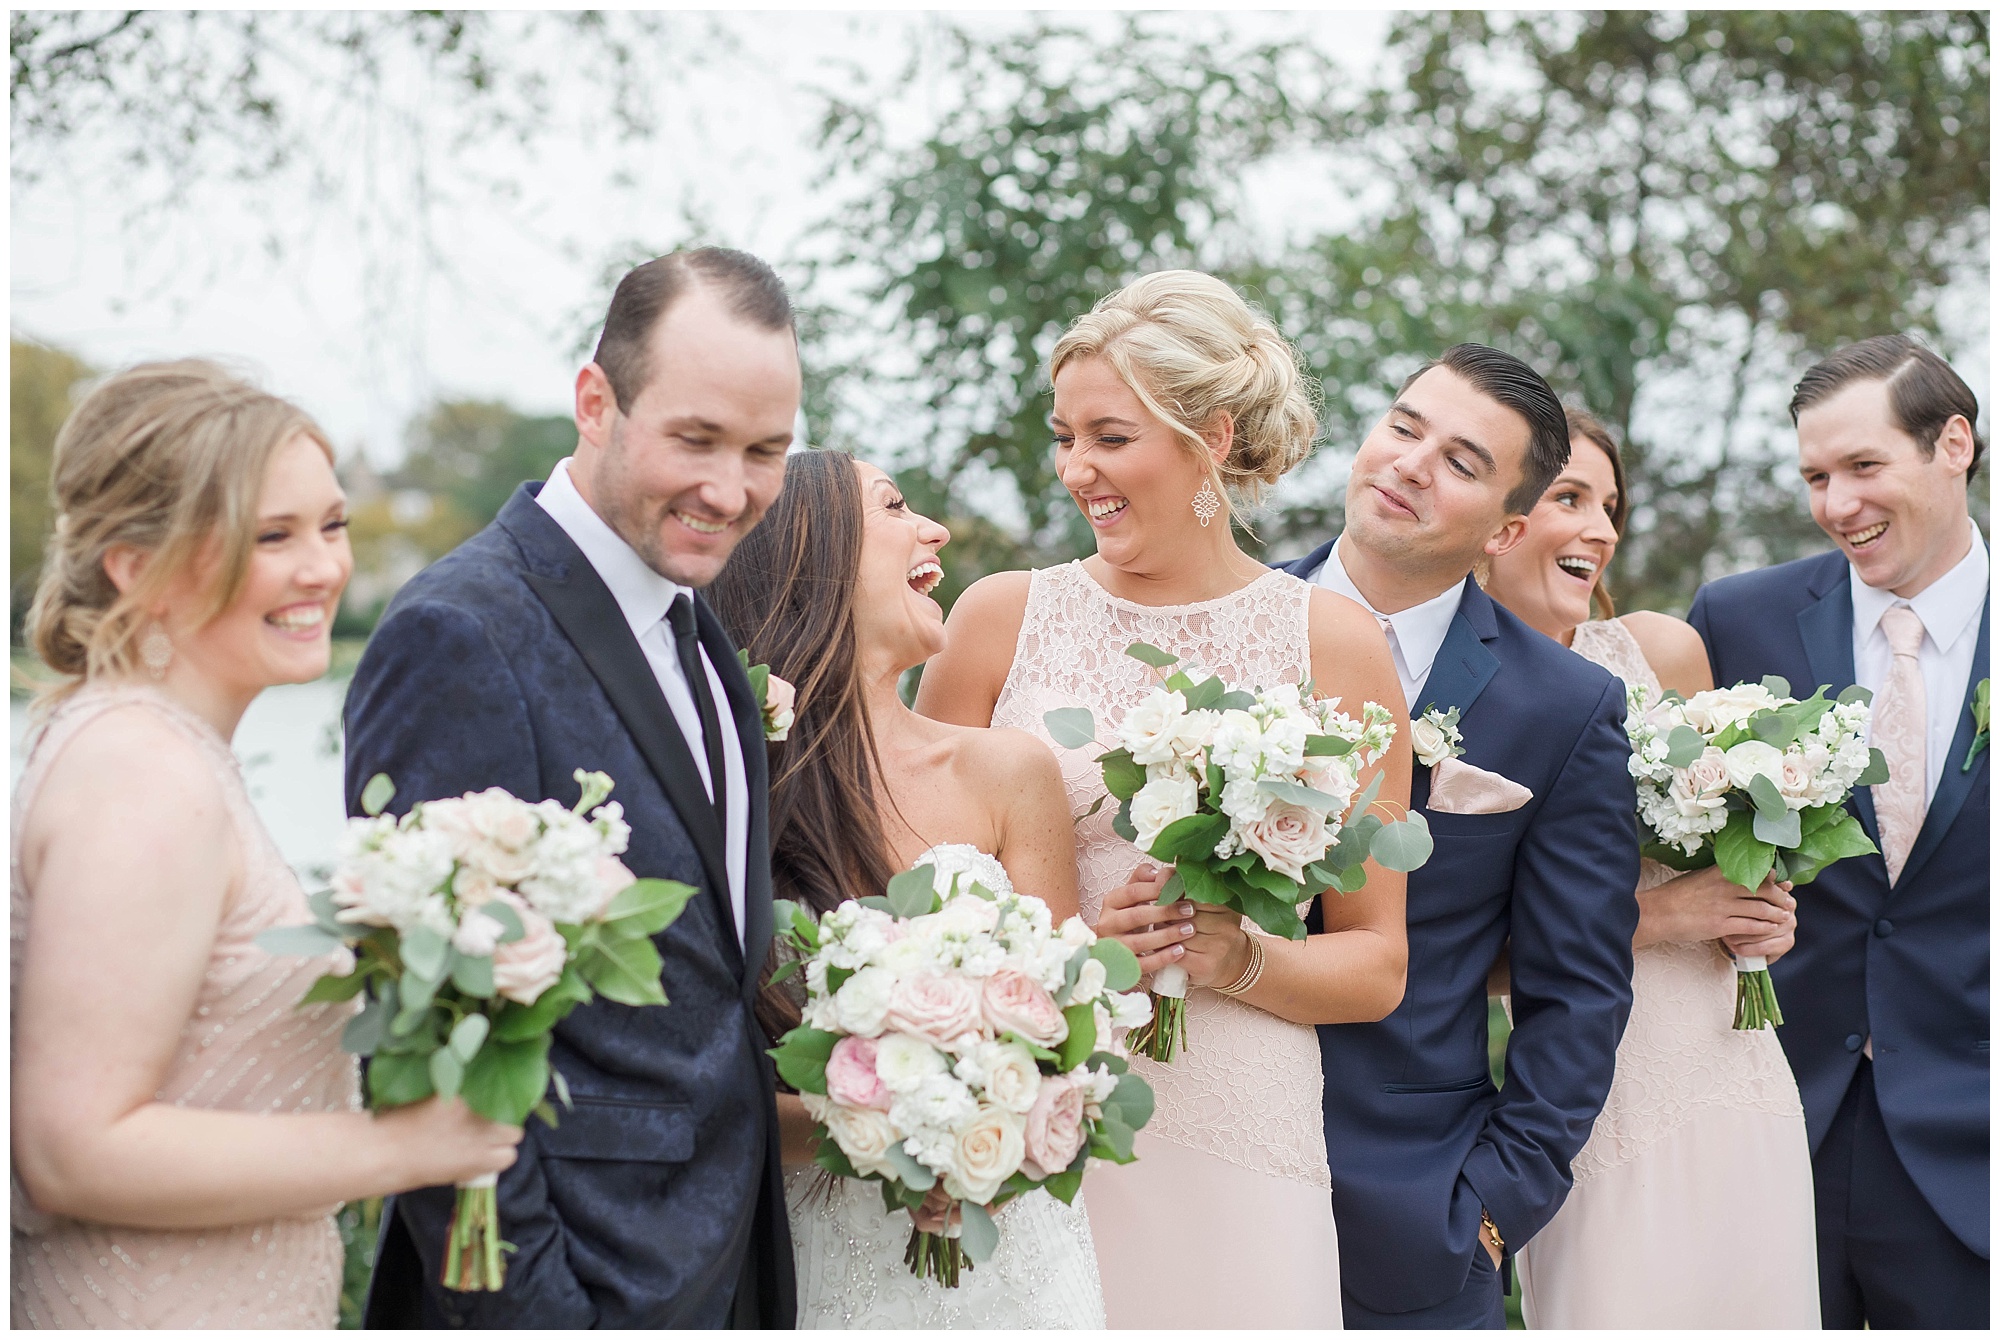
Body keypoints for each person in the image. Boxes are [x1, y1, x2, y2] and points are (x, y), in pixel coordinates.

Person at [918, 270, 1412, 1329]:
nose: (1074, 469)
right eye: (1064, 437)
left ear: (1209, 436)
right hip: (1045, 1103)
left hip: (1245, 1118)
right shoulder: (998, 619)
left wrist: (1237, 955)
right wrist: (1070, 953)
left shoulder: (1330, 641)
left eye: (1107, 436)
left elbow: (1375, 964)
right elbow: (911, 902)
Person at [342, 248, 802, 1328]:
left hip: (724, 1272)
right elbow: (427, 1047)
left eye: (765, 450)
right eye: (694, 439)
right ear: (595, 400)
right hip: (574, 1289)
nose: (729, 490)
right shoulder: (462, 633)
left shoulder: (698, 634)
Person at [11, 361, 522, 1329]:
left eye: (330, 525)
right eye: (271, 535)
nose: (325, 567)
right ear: (135, 563)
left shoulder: (162, 751)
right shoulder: (142, 777)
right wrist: (405, 1146)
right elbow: (71, 1147)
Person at [1277, 345, 1641, 1328]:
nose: (1407, 463)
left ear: (1507, 525)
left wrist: (1493, 1204)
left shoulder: (1562, 706)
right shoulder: (1217, 627)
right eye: (1402, 426)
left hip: (1411, 1204)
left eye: (1460, 461)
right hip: (1175, 1156)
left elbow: (1577, 989)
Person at [709, 449, 1103, 1328]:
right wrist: (900, 1118)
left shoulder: (1008, 771)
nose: (936, 529)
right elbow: (700, 1102)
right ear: (804, 552)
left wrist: (993, 1121)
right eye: (893, 507)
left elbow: (1070, 1040)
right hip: (806, 1266)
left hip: (1014, 1270)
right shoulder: (728, 788)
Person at [1483, 407, 1819, 1327]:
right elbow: (1454, 954)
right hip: (1590, 1096)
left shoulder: (1659, 651)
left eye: (1611, 504)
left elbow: (1729, 852)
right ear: (1498, 517)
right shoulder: (1447, 701)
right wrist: (1670, 918)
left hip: (1733, 1065)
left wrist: (1759, 911)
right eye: (1569, 497)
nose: (1599, 526)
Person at [1688, 335, 1989, 1329]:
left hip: (1973, 1154)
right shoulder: (1736, 621)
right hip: (1772, 1124)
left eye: (1863, 467)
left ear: (1953, 443)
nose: (1835, 505)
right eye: (1815, 475)